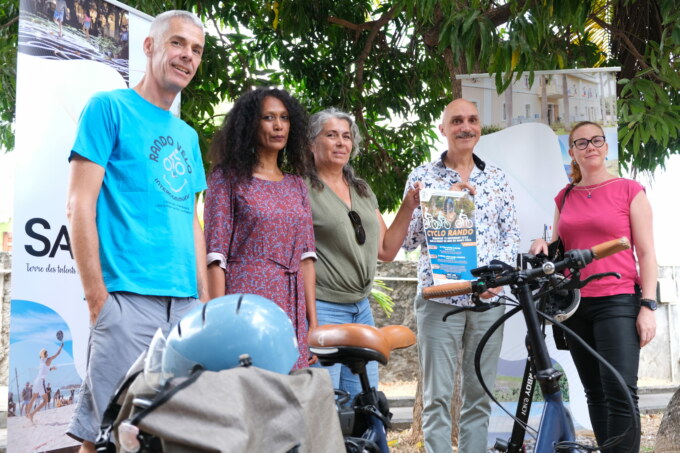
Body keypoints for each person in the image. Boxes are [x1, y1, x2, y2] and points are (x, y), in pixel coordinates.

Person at [65, 11, 208, 453]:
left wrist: (203, 305)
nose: (187, 56)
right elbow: (78, 204)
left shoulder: (187, 136)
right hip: (127, 301)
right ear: (150, 47)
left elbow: (192, 222)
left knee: (174, 436)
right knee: (103, 435)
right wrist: (98, 302)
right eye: (178, 44)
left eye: (197, 50)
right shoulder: (108, 108)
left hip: (184, 308)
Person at [529, 121, 657, 453]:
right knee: (595, 393)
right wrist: (541, 242)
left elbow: (646, 253)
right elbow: (556, 246)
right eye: (581, 142)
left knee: (621, 391)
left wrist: (648, 306)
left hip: (618, 301)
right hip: (575, 305)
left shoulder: (630, 190)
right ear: (571, 151)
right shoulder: (565, 196)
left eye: (597, 140)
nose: (590, 147)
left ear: (606, 146)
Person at [402, 99, 520, 453]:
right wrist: (442, 207)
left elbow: (509, 236)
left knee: (478, 394)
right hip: (441, 300)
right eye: (456, 121)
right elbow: (408, 241)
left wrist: (495, 282)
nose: (465, 126)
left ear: (479, 126)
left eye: (471, 119)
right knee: (437, 396)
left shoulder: (497, 178)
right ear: (443, 129)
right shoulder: (423, 178)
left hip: (488, 302)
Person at [305, 108, 421, 401]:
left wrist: (408, 206)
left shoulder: (362, 189)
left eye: (346, 136)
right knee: (325, 403)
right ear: (311, 143)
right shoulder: (301, 190)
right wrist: (310, 320)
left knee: (364, 402)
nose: (340, 142)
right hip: (323, 307)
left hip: (361, 309)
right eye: (331, 135)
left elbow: (386, 250)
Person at [204, 88, 317, 370]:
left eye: (284, 118)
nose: (279, 126)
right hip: (245, 302)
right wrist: (219, 322)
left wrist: (311, 323)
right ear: (250, 124)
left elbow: (306, 258)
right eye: (268, 118)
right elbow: (215, 256)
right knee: (250, 393)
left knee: (288, 397)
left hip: (291, 303)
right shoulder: (227, 178)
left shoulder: (297, 185)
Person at [26, 344, 63, 422]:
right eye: (47, 353)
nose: (48, 354)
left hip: (35, 381)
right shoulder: (48, 360)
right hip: (40, 382)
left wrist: (51, 368)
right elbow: (57, 354)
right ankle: (32, 414)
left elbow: (45, 370)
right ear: (45, 354)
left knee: (33, 398)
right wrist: (61, 346)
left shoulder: (41, 360)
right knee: (45, 401)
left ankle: (27, 414)